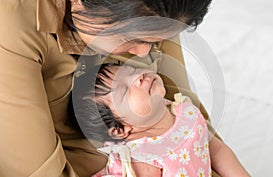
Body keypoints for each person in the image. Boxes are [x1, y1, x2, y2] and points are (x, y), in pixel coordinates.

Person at [0, 0, 245, 176]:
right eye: (132, 40)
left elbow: (181, 104)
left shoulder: (159, 8)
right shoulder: (11, 28)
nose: (145, 52)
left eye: (155, 40)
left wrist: (203, 159)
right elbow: (38, 171)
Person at [73, 63, 250, 177]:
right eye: (125, 90)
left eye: (131, 70)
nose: (137, 77)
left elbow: (217, 151)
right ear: (120, 129)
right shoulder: (143, 157)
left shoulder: (184, 111)